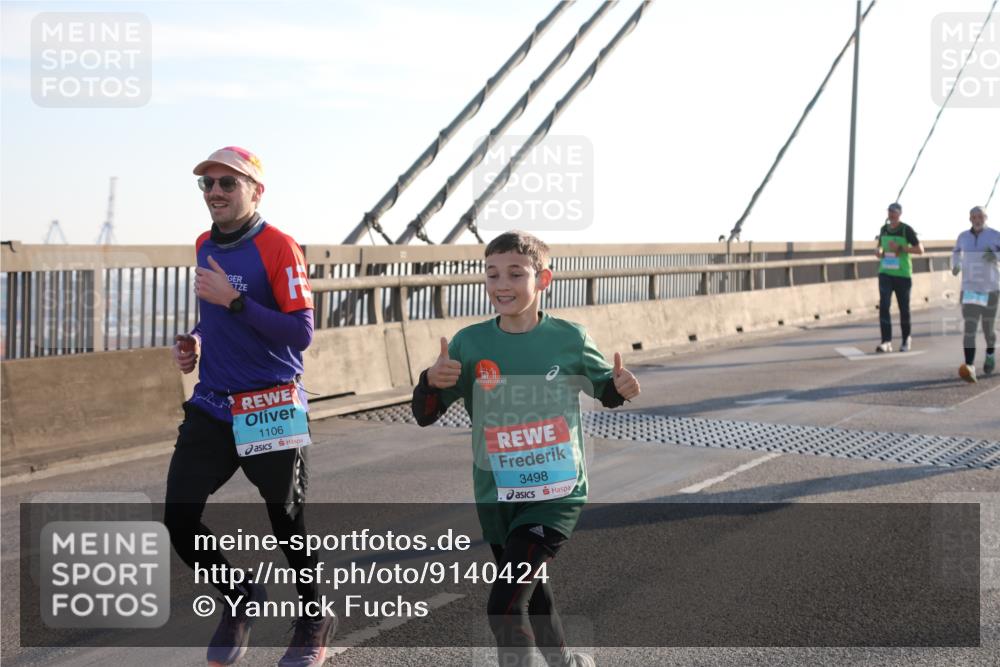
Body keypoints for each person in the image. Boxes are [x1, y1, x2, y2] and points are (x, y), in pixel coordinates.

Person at [411, 231, 641, 667]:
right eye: (492, 273)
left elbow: (605, 391)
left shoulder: (569, 338)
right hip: (497, 496)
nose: (502, 285)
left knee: (503, 605)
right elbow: (426, 413)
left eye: (516, 274)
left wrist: (620, 387)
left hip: (556, 494)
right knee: (533, 596)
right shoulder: (469, 343)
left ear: (544, 279)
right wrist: (429, 380)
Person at [164, 147, 335, 667]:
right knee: (179, 516)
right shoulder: (202, 244)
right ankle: (239, 595)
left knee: (285, 519)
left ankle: (314, 616)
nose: (215, 192)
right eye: (207, 184)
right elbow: (214, 317)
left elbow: (301, 333)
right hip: (213, 404)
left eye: (227, 184)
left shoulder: (279, 246)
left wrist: (233, 301)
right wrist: (195, 338)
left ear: (255, 192)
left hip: (270, 404)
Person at [951, 205, 1000, 383]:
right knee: (969, 328)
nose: (977, 219)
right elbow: (956, 252)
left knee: (988, 329)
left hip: (991, 288)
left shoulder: (995, 235)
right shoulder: (963, 237)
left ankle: (990, 352)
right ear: (970, 219)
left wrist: (994, 255)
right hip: (969, 288)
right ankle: (969, 366)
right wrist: (955, 265)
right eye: (974, 217)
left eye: (980, 216)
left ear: (986, 218)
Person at [875, 202, 925, 353]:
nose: (891, 214)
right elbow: (880, 246)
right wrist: (879, 250)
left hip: (902, 275)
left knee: (904, 308)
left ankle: (906, 339)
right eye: (889, 211)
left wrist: (901, 248)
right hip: (885, 272)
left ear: (900, 214)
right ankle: (886, 341)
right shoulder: (884, 229)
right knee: (884, 306)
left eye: (894, 212)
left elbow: (920, 250)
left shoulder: (906, 229)